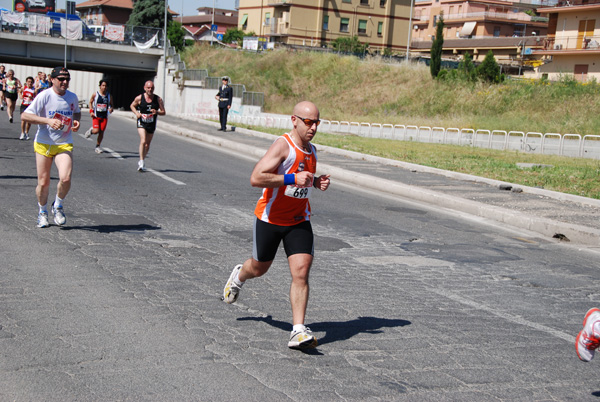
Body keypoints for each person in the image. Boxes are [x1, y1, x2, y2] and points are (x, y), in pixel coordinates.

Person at [222, 101, 331, 350]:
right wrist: (292, 178)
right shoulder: (284, 145)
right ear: (294, 120)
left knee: (301, 271)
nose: (313, 127)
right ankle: (239, 276)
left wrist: (315, 183)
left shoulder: (312, 150)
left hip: (298, 220)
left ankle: (297, 330)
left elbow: (302, 179)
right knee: (259, 268)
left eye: (317, 122)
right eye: (308, 122)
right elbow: (256, 177)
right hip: (270, 219)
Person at [21, 66, 81, 228]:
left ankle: (58, 205)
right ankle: (42, 212)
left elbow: (76, 112)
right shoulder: (44, 96)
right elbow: (25, 115)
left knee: (66, 178)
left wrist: (76, 121)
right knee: (43, 182)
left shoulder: (72, 97)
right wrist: (47, 121)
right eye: (61, 79)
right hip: (43, 143)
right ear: (52, 80)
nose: (65, 82)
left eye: (67, 79)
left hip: (63, 143)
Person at [130, 80, 165, 172]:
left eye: (152, 88)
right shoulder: (139, 98)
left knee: (147, 144)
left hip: (151, 123)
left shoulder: (158, 99)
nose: (150, 89)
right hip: (142, 122)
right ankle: (141, 162)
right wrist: (136, 113)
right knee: (143, 140)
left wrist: (156, 112)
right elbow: (132, 106)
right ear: (145, 88)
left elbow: (163, 112)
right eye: (148, 88)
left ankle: (142, 159)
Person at [84, 79, 114, 153]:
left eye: (106, 86)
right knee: (96, 131)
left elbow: (112, 105)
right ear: (100, 86)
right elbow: (90, 102)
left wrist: (111, 109)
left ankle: (97, 146)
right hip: (96, 116)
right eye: (103, 85)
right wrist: (91, 111)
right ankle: (91, 131)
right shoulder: (96, 94)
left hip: (104, 117)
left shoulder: (109, 96)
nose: (104, 87)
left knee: (101, 132)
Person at [19, 76, 35, 140]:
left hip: (30, 106)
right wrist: (20, 96)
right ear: (26, 82)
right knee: (23, 119)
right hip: (24, 105)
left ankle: (27, 132)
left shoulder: (34, 89)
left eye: (31, 82)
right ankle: (22, 133)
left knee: (29, 121)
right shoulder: (24, 88)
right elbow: (19, 92)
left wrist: (32, 98)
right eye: (28, 82)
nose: (30, 83)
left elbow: (36, 98)